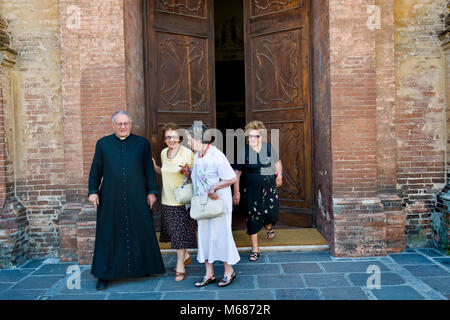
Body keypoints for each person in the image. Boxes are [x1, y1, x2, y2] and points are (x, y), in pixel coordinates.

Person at [88, 110, 165, 290]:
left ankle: (145, 267)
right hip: (110, 197)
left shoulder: (142, 143)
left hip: (137, 195)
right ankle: (103, 274)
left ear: (130, 124)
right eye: (119, 124)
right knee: (108, 233)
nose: (123, 127)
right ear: (113, 125)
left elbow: (148, 170)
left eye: (126, 123)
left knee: (141, 229)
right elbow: (96, 169)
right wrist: (93, 191)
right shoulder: (103, 144)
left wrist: (152, 192)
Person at [179, 123, 240, 287]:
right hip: (203, 204)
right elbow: (201, 178)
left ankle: (229, 271)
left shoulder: (216, 155)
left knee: (221, 236)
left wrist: (215, 186)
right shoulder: (197, 156)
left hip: (218, 203)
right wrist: (188, 173)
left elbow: (232, 178)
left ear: (199, 138)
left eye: (190, 139)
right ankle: (209, 273)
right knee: (205, 236)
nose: (188, 142)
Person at [152, 122, 196, 282]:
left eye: (174, 137)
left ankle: (180, 266)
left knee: (179, 236)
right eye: (168, 137)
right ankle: (184, 256)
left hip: (182, 200)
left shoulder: (187, 153)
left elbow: (196, 176)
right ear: (165, 140)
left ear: (179, 138)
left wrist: (188, 172)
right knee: (173, 234)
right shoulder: (164, 153)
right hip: (167, 199)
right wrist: (155, 166)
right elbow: (164, 171)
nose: (171, 140)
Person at [232, 120, 283, 262]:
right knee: (253, 215)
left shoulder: (268, 148)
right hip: (252, 189)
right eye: (251, 136)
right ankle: (255, 248)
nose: (254, 139)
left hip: (269, 188)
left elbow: (277, 163)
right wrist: (236, 192)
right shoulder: (244, 151)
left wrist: (279, 176)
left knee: (270, 212)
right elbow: (237, 173)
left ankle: (268, 226)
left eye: (257, 136)